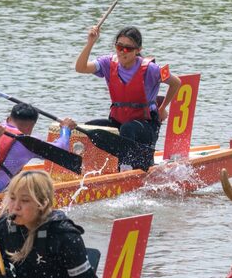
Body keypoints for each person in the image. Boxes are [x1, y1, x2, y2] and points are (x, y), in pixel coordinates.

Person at [75, 25, 181, 171]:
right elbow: (80, 68)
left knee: (128, 128)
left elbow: (176, 82)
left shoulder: (152, 69)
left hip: (146, 127)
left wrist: (163, 109)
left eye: (128, 49)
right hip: (118, 122)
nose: (122, 52)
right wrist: (90, 42)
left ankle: (125, 169)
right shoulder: (107, 63)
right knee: (87, 127)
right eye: (119, 47)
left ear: (138, 50)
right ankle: (88, 168)